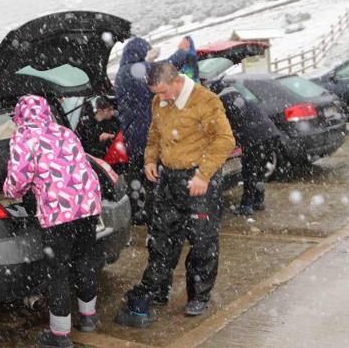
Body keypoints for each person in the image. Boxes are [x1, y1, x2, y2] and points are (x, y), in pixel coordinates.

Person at [115, 63, 235, 328]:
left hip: (199, 178)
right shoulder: (159, 102)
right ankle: (157, 289)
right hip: (169, 178)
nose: (162, 98)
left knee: (202, 240)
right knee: (161, 237)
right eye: (157, 93)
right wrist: (150, 159)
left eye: (165, 92)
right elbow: (155, 134)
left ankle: (199, 295)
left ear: (177, 80)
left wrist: (203, 175)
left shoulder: (205, 100)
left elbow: (225, 140)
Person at [3, 95, 102, 348]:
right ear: (46, 112)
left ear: (19, 116)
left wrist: (9, 193)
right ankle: (88, 318)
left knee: (58, 271)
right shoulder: (64, 131)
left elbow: (18, 178)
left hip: (59, 212)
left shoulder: (24, 137)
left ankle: (59, 336)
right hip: (88, 205)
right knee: (85, 260)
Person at [115, 37, 159, 225]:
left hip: (130, 135)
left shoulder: (119, 73)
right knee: (152, 178)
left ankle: (134, 213)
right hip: (148, 135)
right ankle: (151, 214)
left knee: (135, 176)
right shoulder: (139, 70)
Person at [219, 87, 281, 215]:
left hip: (254, 140)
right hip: (271, 135)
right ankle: (259, 200)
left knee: (250, 172)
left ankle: (246, 206)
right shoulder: (245, 101)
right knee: (260, 171)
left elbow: (227, 127)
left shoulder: (224, 104)